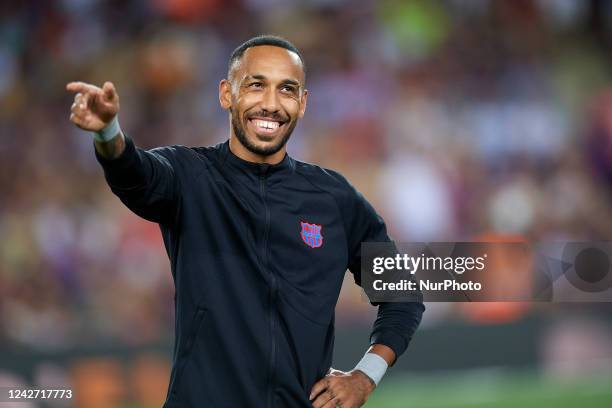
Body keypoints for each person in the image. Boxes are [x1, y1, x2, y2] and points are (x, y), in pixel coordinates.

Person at [66, 35, 424, 408]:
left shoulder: (335, 199)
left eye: (286, 90)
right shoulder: (189, 176)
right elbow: (135, 175)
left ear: (302, 104)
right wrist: (108, 131)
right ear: (227, 94)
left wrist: (366, 375)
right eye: (256, 85)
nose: (270, 104)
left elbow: (404, 294)